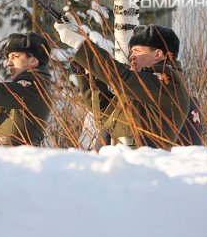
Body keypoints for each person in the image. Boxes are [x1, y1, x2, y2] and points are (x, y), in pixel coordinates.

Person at [55, 22, 190, 149]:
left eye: (137, 50)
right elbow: (106, 113)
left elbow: (121, 77)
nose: (131, 56)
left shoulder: (167, 82)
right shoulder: (146, 86)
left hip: (141, 166)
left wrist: (80, 44)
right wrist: (86, 75)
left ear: (158, 54)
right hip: (123, 162)